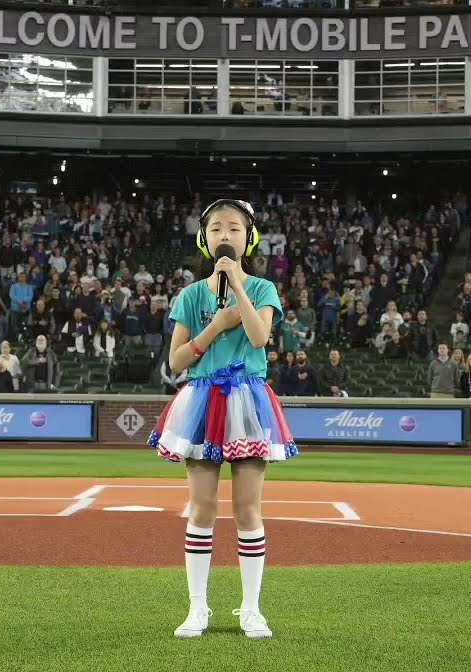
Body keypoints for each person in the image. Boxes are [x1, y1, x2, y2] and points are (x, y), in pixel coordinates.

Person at [145, 198, 297, 641]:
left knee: (248, 509)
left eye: (233, 228)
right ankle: (198, 608)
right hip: (202, 399)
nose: (224, 235)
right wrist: (215, 325)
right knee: (202, 508)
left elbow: (259, 336)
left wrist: (237, 289)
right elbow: (176, 361)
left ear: (248, 238)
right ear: (203, 238)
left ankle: (251, 610)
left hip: (248, 399)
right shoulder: (191, 295)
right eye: (215, 229)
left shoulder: (263, 288)